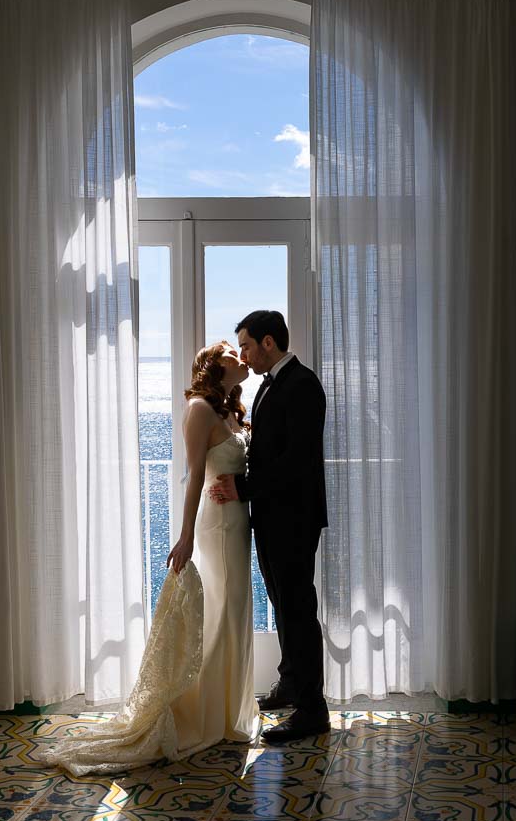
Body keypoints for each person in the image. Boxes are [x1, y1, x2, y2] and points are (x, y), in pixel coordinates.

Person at [38, 341, 258, 776]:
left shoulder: (231, 411)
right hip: (217, 526)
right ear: (214, 367)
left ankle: (230, 713)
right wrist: (186, 535)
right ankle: (204, 716)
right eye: (233, 353)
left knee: (234, 612)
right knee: (221, 614)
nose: (242, 357)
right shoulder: (198, 409)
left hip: (239, 523)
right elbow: (196, 475)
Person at [209, 310, 330, 744]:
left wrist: (242, 487)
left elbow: (295, 462)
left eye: (245, 344)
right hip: (272, 518)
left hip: (295, 518)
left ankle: (313, 709)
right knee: (283, 605)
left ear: (267, 342)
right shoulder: (267, 386)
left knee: (298, 610)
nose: (242, 353)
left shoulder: (303, 384)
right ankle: (291, 683)